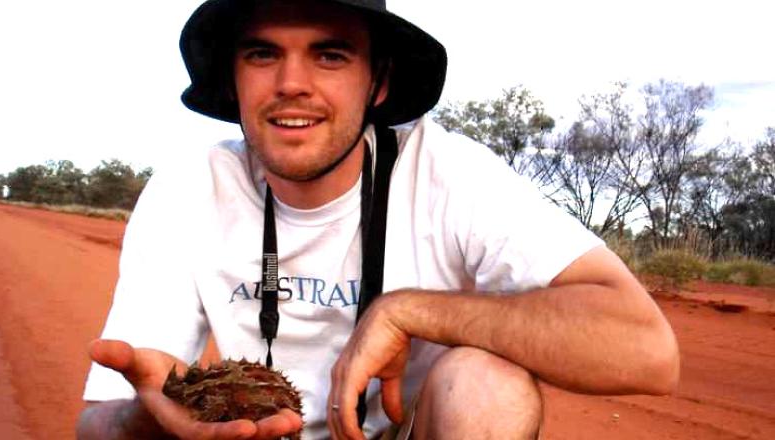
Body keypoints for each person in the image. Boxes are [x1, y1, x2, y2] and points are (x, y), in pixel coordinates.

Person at [77, 0, 680, 439]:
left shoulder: (450, 174)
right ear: (232, 82)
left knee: (487, 380)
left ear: (380, 82)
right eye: (263, 54)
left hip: (402, 431)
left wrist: (408, 310)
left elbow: (647, 351)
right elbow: (97, 423)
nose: (292, 85)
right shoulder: (189, 188)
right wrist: (149, 416)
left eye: (330, 54)